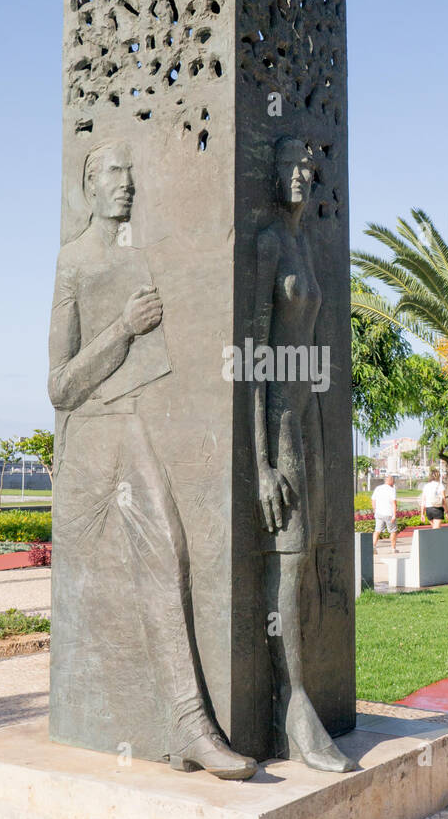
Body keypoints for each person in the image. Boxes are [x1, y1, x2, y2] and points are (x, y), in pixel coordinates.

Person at [49, 139, 256, 780]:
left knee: (169, 556)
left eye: (132, 172)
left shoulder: (140, 255)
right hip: (92, 437)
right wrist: (123, 329)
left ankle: (189, 728)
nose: (128, 183)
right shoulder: (75, 263)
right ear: (90, 184)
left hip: (130, 426)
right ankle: (185, 726)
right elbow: (59, 385)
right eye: (115, 171)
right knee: (161, 558)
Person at [252, 137, 356, 774]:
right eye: (289, 166)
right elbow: (251, 359)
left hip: (310, 416)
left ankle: (301, 698)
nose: (299, 176)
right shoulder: (267, 247)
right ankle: (291, 705)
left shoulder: (306, 248)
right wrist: (260, 463)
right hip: (277, 416)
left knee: (307, 553)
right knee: (286, 564)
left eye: (307, 169)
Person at [371, 474, 398, 554]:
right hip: (389, 513)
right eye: (393, 481)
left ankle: (373, 546)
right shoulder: (392, 490)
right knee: (393, 531)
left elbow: (373, 500)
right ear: (390, 481)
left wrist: (375, 510)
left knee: (377, 530)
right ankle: (393, 549)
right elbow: (394, 503)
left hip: (379, 513)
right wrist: (394, 515)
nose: (393, 482)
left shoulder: (378, 488)